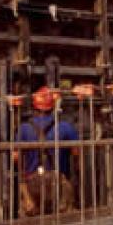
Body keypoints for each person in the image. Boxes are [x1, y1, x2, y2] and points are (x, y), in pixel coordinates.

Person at [17, 86, 79, 215]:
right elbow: (76, 153)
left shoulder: (24, 128)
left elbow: (15, 157)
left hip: (31, 183)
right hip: (58, 181)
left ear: (34, 107)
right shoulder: (65, 127)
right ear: (53, 107)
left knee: (30, 222)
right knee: (64, 220)